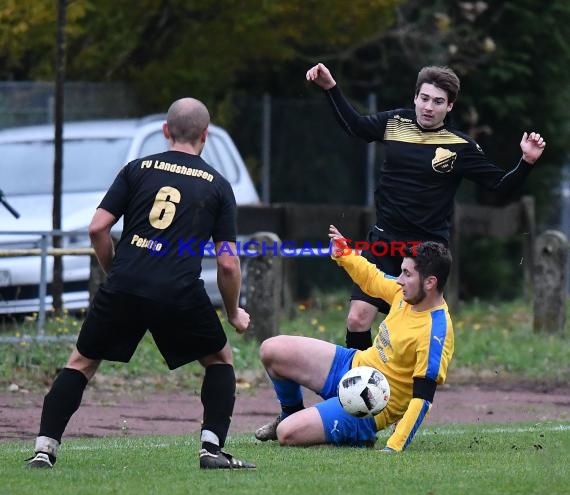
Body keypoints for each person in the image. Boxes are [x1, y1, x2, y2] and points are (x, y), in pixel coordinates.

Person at [26, 98, 255, 470]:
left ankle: (44, 449)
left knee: (81, 362)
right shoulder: (216, 185)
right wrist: (233, 312)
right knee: (219, 360)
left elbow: (97, 227)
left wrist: (114, 269)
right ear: (205, 135)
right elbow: (228, 262)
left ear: (166, 131)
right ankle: (211, 450)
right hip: (178, 290)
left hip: (125, 284)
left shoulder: (136, 169)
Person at [306, 62, 546, 351]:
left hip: (426, 251)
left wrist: (526, 162)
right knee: (357, 319)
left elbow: (500, 184)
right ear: (415, 98)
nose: (429, 107)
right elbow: (355, 127)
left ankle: (414, 388)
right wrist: (331, 88)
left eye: (438, 101)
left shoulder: (460, 147)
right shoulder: (395, 122)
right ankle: (360, 385)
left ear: (450, 106)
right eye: (424, 98)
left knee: (409, 334)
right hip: (383, 243)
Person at [254, 225, 454, 452]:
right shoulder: (404, 293)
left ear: (430, 283)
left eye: (407, 274)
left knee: (286, 434)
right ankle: (290, 412)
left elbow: (422, 399)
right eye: (401, 271)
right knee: (271, 349)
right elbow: (372, 278)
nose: (399, 280)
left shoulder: (436, 331)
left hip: (371, 404)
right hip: (353, 364)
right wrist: (344, 254)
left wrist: (394, 446)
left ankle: (357, 435)